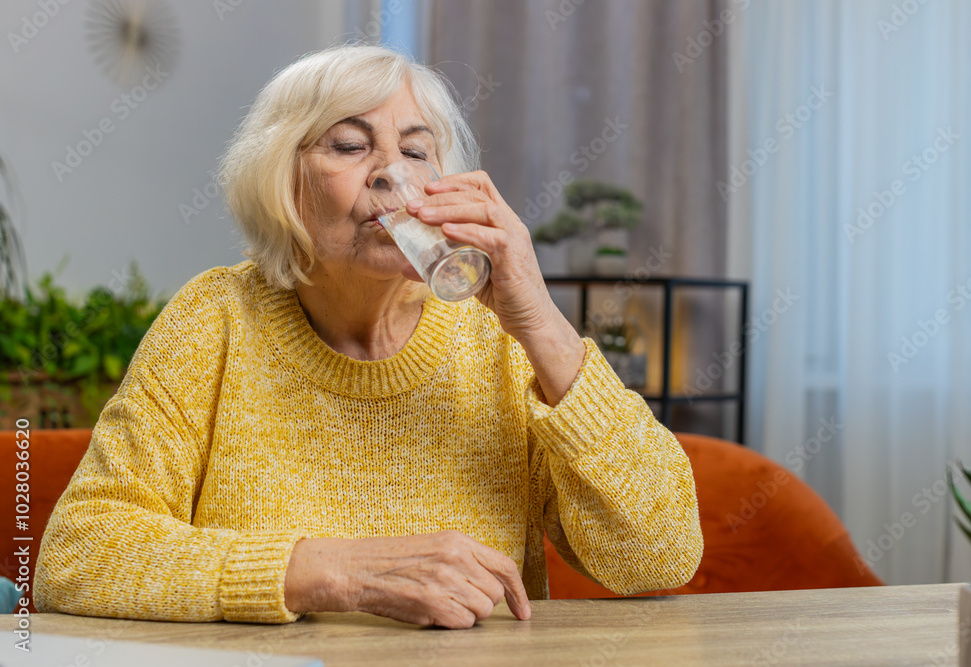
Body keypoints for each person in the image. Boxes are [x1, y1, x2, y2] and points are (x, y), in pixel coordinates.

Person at [34, 44, 703, 629]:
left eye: (415, 151)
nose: (390, 173)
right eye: (351, 146)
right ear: (284, 183)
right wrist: (335, 570)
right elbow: (78, 556)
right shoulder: (215, 319)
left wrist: (542, 324)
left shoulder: (497, 337)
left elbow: (660, 552)